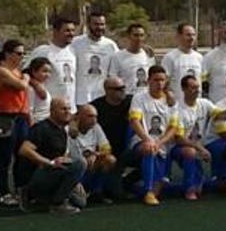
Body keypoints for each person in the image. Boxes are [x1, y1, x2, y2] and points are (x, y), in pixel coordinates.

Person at [18, 98, 86, 215]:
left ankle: (47, 199)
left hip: (53, 174)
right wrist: (49, 163)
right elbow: (24, 150)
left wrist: (75, 181)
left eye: (69, 109)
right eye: (63, 109)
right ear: (52, 111)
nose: (67, 112)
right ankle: (56, 203)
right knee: (80, 163)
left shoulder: (62, 131)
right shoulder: (41, 128)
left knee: (81, 202)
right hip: (38, 175)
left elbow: (63, 157)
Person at [127, 65, 181, 206]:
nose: (160, 83)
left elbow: (173, 128)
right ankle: (148, 191)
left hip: (162, 145)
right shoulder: (139, 98)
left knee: (163, 185)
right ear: (148, 80)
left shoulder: (171, 102)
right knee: (149, 149)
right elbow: (134, 121)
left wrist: (160, 142)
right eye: (156, 80)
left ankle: (132, 186)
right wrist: (148, 140)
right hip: (141, 142)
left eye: (162, 80)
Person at [0, 40, 31, 206]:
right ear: (8, 53)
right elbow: (21, 86)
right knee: (4, 156)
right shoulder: (2, 71)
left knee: (21, 155)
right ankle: (4, 192)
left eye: (23, 53)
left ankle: (20, 188)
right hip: (4, 118)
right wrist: (28, 77)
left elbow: (23, 96)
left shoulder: (17, 70)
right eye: (19, 53)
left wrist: (28, 115)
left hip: (20, 117)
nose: (21, 56)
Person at [172, 75, 214, 200]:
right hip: (176, 147)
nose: (197, 90)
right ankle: (189, 189)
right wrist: (200, 149)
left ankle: (223, 181)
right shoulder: (177, 109)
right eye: (193, 88)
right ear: (184, 89)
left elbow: (220, 115)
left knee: (200, 188)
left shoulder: (205, 103)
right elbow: (178, 139)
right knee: (190, 152)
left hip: (198, 146)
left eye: (198, 87)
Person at [71, 9, 119, 107]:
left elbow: (117, 70)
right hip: (81, 99)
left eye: (102, 24)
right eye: (96, 24)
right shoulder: (75, 43)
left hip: (103, 99)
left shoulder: (110, 45)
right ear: (88, 25)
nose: (100, 27)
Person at [69, 104, 116, 202]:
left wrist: (96, 155)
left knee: (110, 160)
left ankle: (96, 192)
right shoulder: (69, 130)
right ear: (80, 116)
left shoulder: (96, 127)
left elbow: (107, 148)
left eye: (95, 117)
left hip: (91, 167)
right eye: (90, 116)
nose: (94, 120)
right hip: (75, 168)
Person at [28, 16, 77, 109]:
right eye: (67, 30)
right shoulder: (43, 51)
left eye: (73, 30)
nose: (71, 34)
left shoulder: (73, 52)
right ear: (55, 31)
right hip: (49, 109)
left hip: (70, 108)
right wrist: (37, 85)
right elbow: (25, 73)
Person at [161, 23, 203, 104]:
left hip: (196, 105)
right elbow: (164, 82)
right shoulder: (170, 58)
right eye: (188, 35)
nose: (192, 38)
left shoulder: (199, 57)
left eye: (194, 35)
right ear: (179, 36)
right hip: (177, 106)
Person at [108, 23, 153, 96]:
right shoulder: (117, 57)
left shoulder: (148, 55)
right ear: (128, 36)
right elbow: (113, 80)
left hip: (145, 98)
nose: (139, 38)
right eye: (136, 35)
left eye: (141, 35)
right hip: (127, 98)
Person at [27, 57, 52, 124]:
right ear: (34, 72)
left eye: (49, 72)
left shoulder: (43, 86)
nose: (48, 75)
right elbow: (29, 110)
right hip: (38, 123)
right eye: (44, 71)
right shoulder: (31, 89)